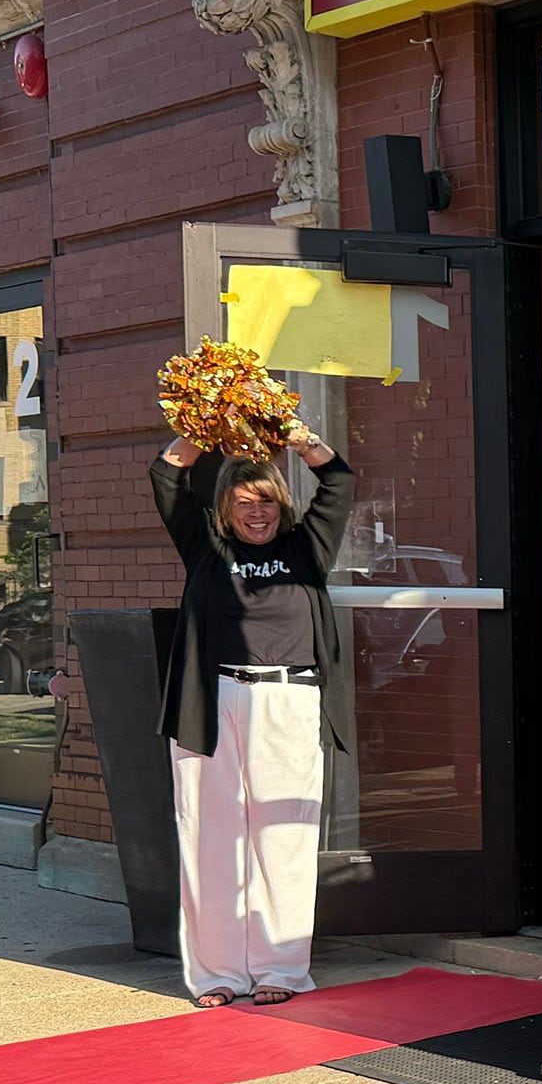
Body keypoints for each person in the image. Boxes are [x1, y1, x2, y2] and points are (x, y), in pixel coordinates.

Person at [152, 420, 353, 1007]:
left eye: (265, 500)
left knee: (284, 834)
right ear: (226, 509)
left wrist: (296, 435)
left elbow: (338, 481)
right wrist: (200, 418)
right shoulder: (207, 548)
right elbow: (167, 477)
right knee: (210, 836)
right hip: (211, 702)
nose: (256, 513)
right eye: (243, 503)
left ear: (280, 504)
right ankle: (216, 974)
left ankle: (279, 970)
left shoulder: (306, 547)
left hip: (288, 700)